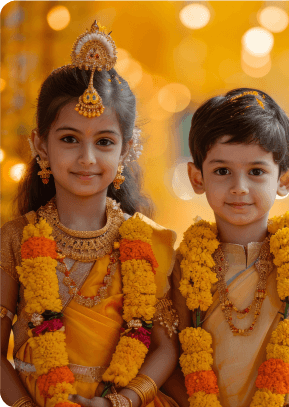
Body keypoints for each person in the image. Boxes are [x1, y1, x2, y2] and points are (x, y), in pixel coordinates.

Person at [0, 21, 180, 407]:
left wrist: (124, 401)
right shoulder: (14, 239)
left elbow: (166, 348)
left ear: (126, 150)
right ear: (40, 145)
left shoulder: (150, 242)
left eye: (104, 142)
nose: (87, 158)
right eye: (69, 139)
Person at [166, 88, 289, 407]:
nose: (239, 188)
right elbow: (170, 360)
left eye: (256, 172)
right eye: (222, 171)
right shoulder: (182, 268)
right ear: (197, 177)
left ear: (284, 180)